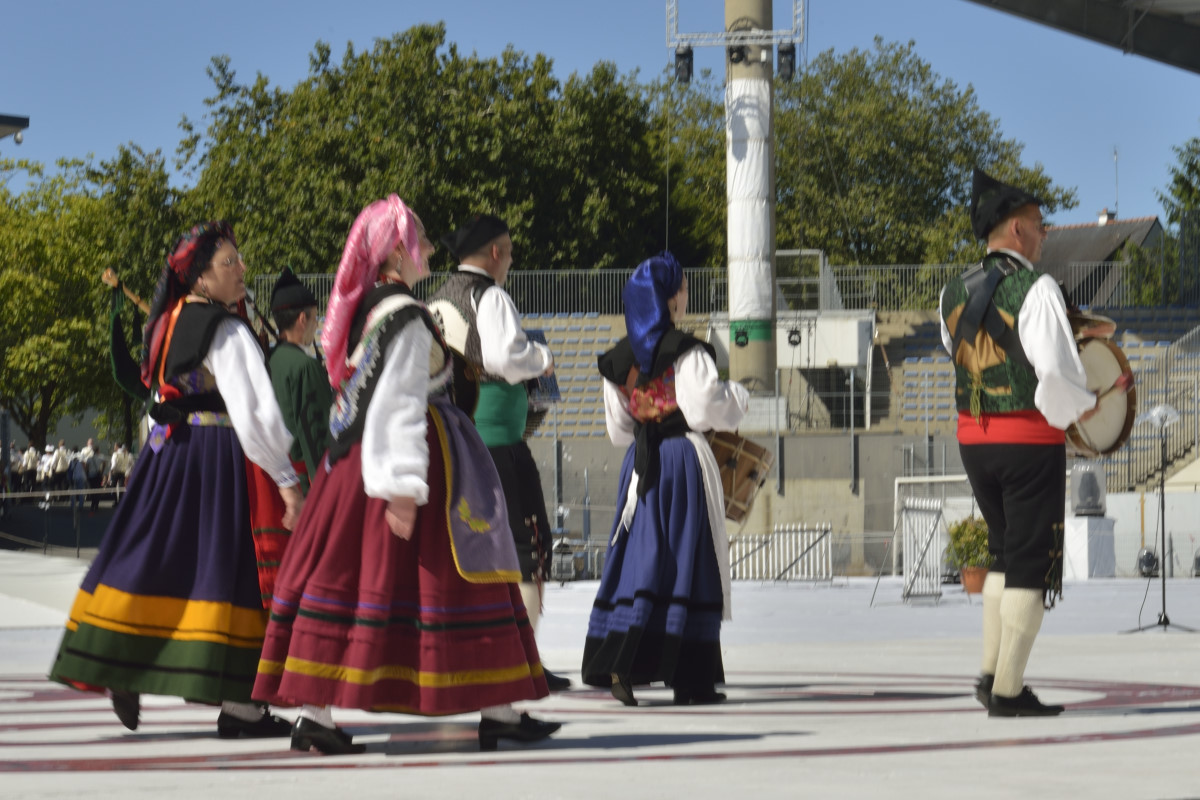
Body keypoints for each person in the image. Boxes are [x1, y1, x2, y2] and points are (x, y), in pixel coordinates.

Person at [253, 195, 558, 754]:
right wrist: (403, 490)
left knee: (356, 585)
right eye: (417, 235)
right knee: (456, 580)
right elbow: (397, 405)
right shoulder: (408, 320)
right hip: (407, 468)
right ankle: (488, 710)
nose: (427, 246)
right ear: (395, 251)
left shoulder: (376, 312)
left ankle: (494, 708)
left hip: (365, 466)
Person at [48, 220, 305, 739]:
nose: (241, 269)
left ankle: (123, 660)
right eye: (229, 263)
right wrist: (285, 477)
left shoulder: (169, 321)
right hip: (218, 457)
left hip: (168, 454)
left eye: (239, 259)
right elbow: (253, 409)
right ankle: (240, 706)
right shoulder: (224, 328)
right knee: (231, 569)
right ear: (201, 279)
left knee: (150, 558)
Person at [940, 169, 1133, 718]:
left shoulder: (952, 289)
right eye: (1040, 225)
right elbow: (1054, 374)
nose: (1046, 234)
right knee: (1029, 562)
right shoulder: (1038, 288)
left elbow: (963, 353)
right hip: (1028, 439)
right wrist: (1089, 409)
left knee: (1003, 553)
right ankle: (1007, 689)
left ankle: (990, 672)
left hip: (973, 441)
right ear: (1018, 230)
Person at [581, 252, 748, 707]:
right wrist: (739, 396)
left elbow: (618, 431)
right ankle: (690, 679)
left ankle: (621, 657)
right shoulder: (687, 350)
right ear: (669, 297)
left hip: (640, 465)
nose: (686, 295)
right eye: (684, 287)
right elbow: (703, 409)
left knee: (639, 558)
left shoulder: (618, 360)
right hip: (681, 463)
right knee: (687, 561)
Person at [428, 213, 570, 692]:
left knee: (472, 548)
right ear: (494, 252)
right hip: (499, 443)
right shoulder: (491, 296)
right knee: (528, 546)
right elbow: (504, 358)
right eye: (508, 250)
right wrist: (541, 358)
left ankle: (467, 654)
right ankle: (522, 659)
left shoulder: (439, 299)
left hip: (456, 437)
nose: (511, 260)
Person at [267, 268, 331, 495]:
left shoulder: (270, 360)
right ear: (302, 319)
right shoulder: (305, 367)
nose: (316, 325)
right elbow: (319, 438)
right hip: (307, 488)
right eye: (315, 318)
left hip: (277, 485)